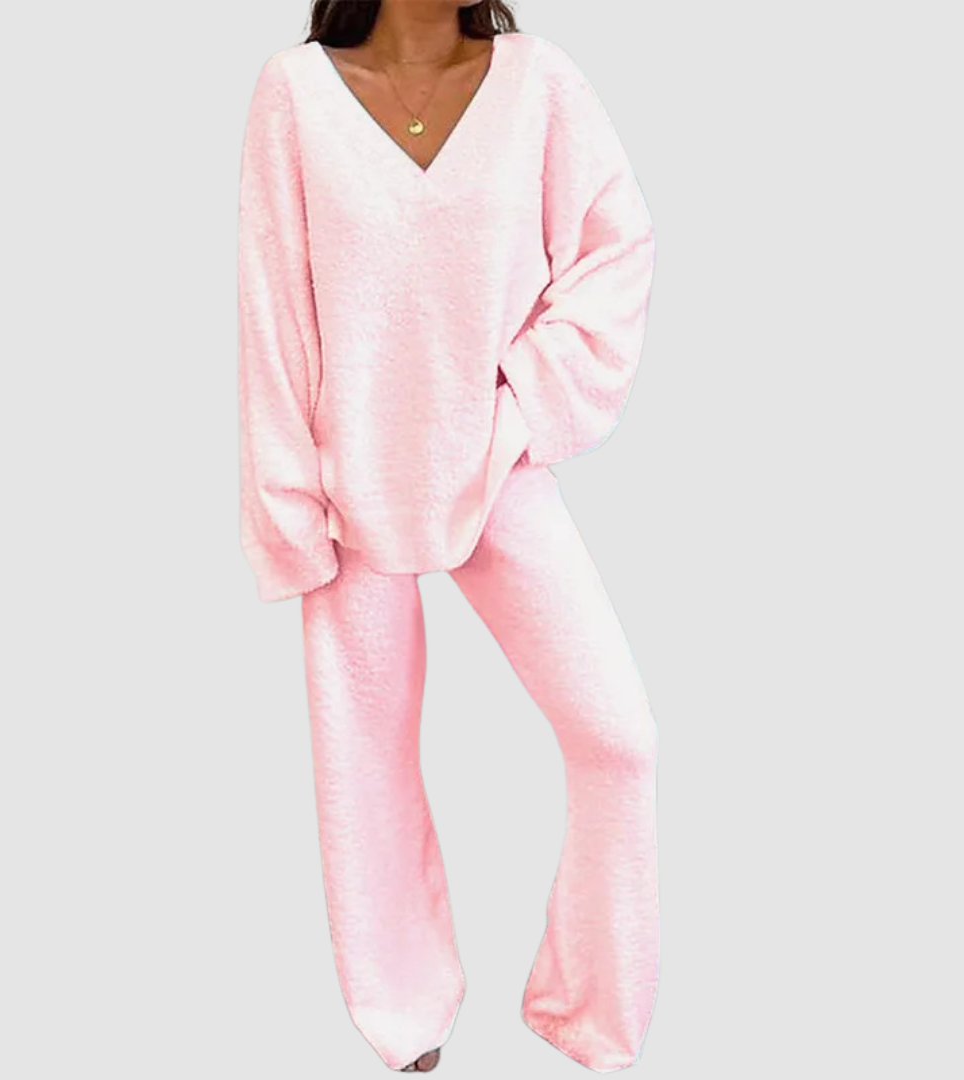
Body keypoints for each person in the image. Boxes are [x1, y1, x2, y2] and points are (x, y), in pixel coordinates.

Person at [236, 1, 659, 1073]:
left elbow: (617, 248)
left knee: (619, 738)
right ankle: (405, 1012)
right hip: (348, 484)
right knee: (365, 767)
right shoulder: (294, 95)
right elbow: (273, 312)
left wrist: (523, 404)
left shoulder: (540, 82)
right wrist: (290, 505)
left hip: (494, 467)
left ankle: (586, 1006)